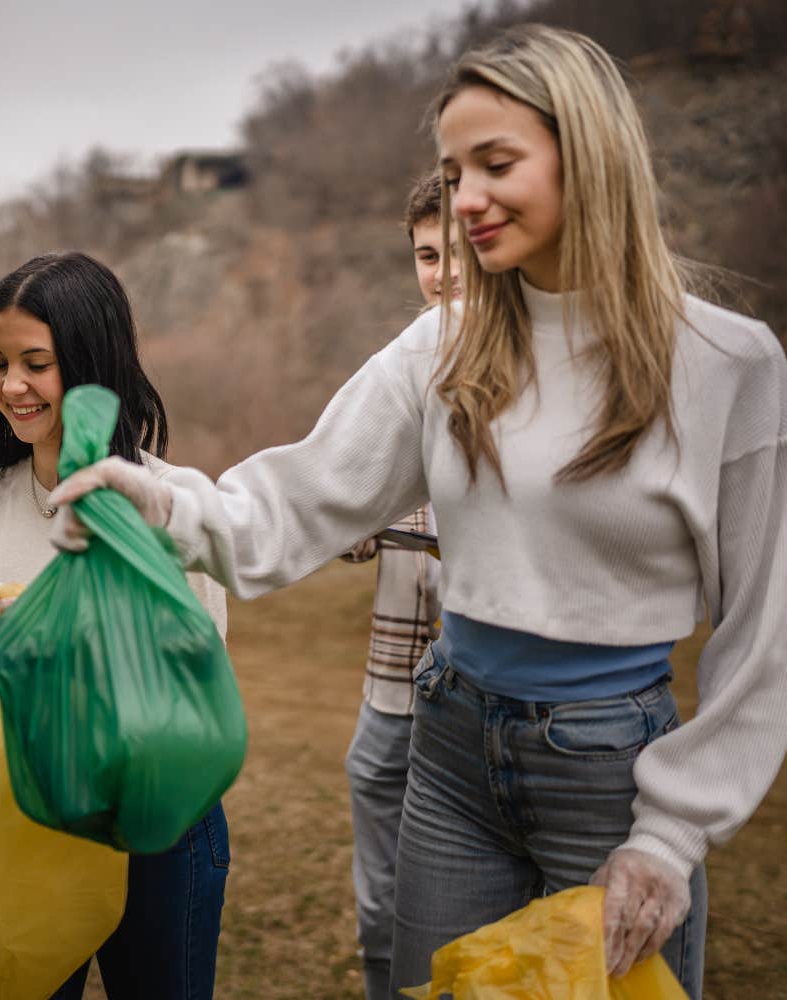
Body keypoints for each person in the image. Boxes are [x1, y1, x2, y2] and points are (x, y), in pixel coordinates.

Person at [50, 24, 787, 1000]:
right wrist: (157, 501)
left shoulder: (729, 366)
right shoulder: (441, 345)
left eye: (496, 164)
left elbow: (764, 634)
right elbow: (293, 502)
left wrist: (672, 834)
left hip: (610, 773)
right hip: (449, 750)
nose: (465, 198)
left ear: (590, 156)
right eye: (452, 173)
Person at [0, 252, 230, 1000]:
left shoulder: (162, 504)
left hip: (154, 824)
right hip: (14, 822)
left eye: (37, 364)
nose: (12, 386)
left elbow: (191, 676)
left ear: (94, 365)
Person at [342, 170, 456, 1000]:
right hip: (389, 684)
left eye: (458, 254)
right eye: (426, 256)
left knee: (461, 895)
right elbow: (343, 499)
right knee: (380, 900)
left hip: (478, 691)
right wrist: (353, 523)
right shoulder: (398, 372)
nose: (442, 274)